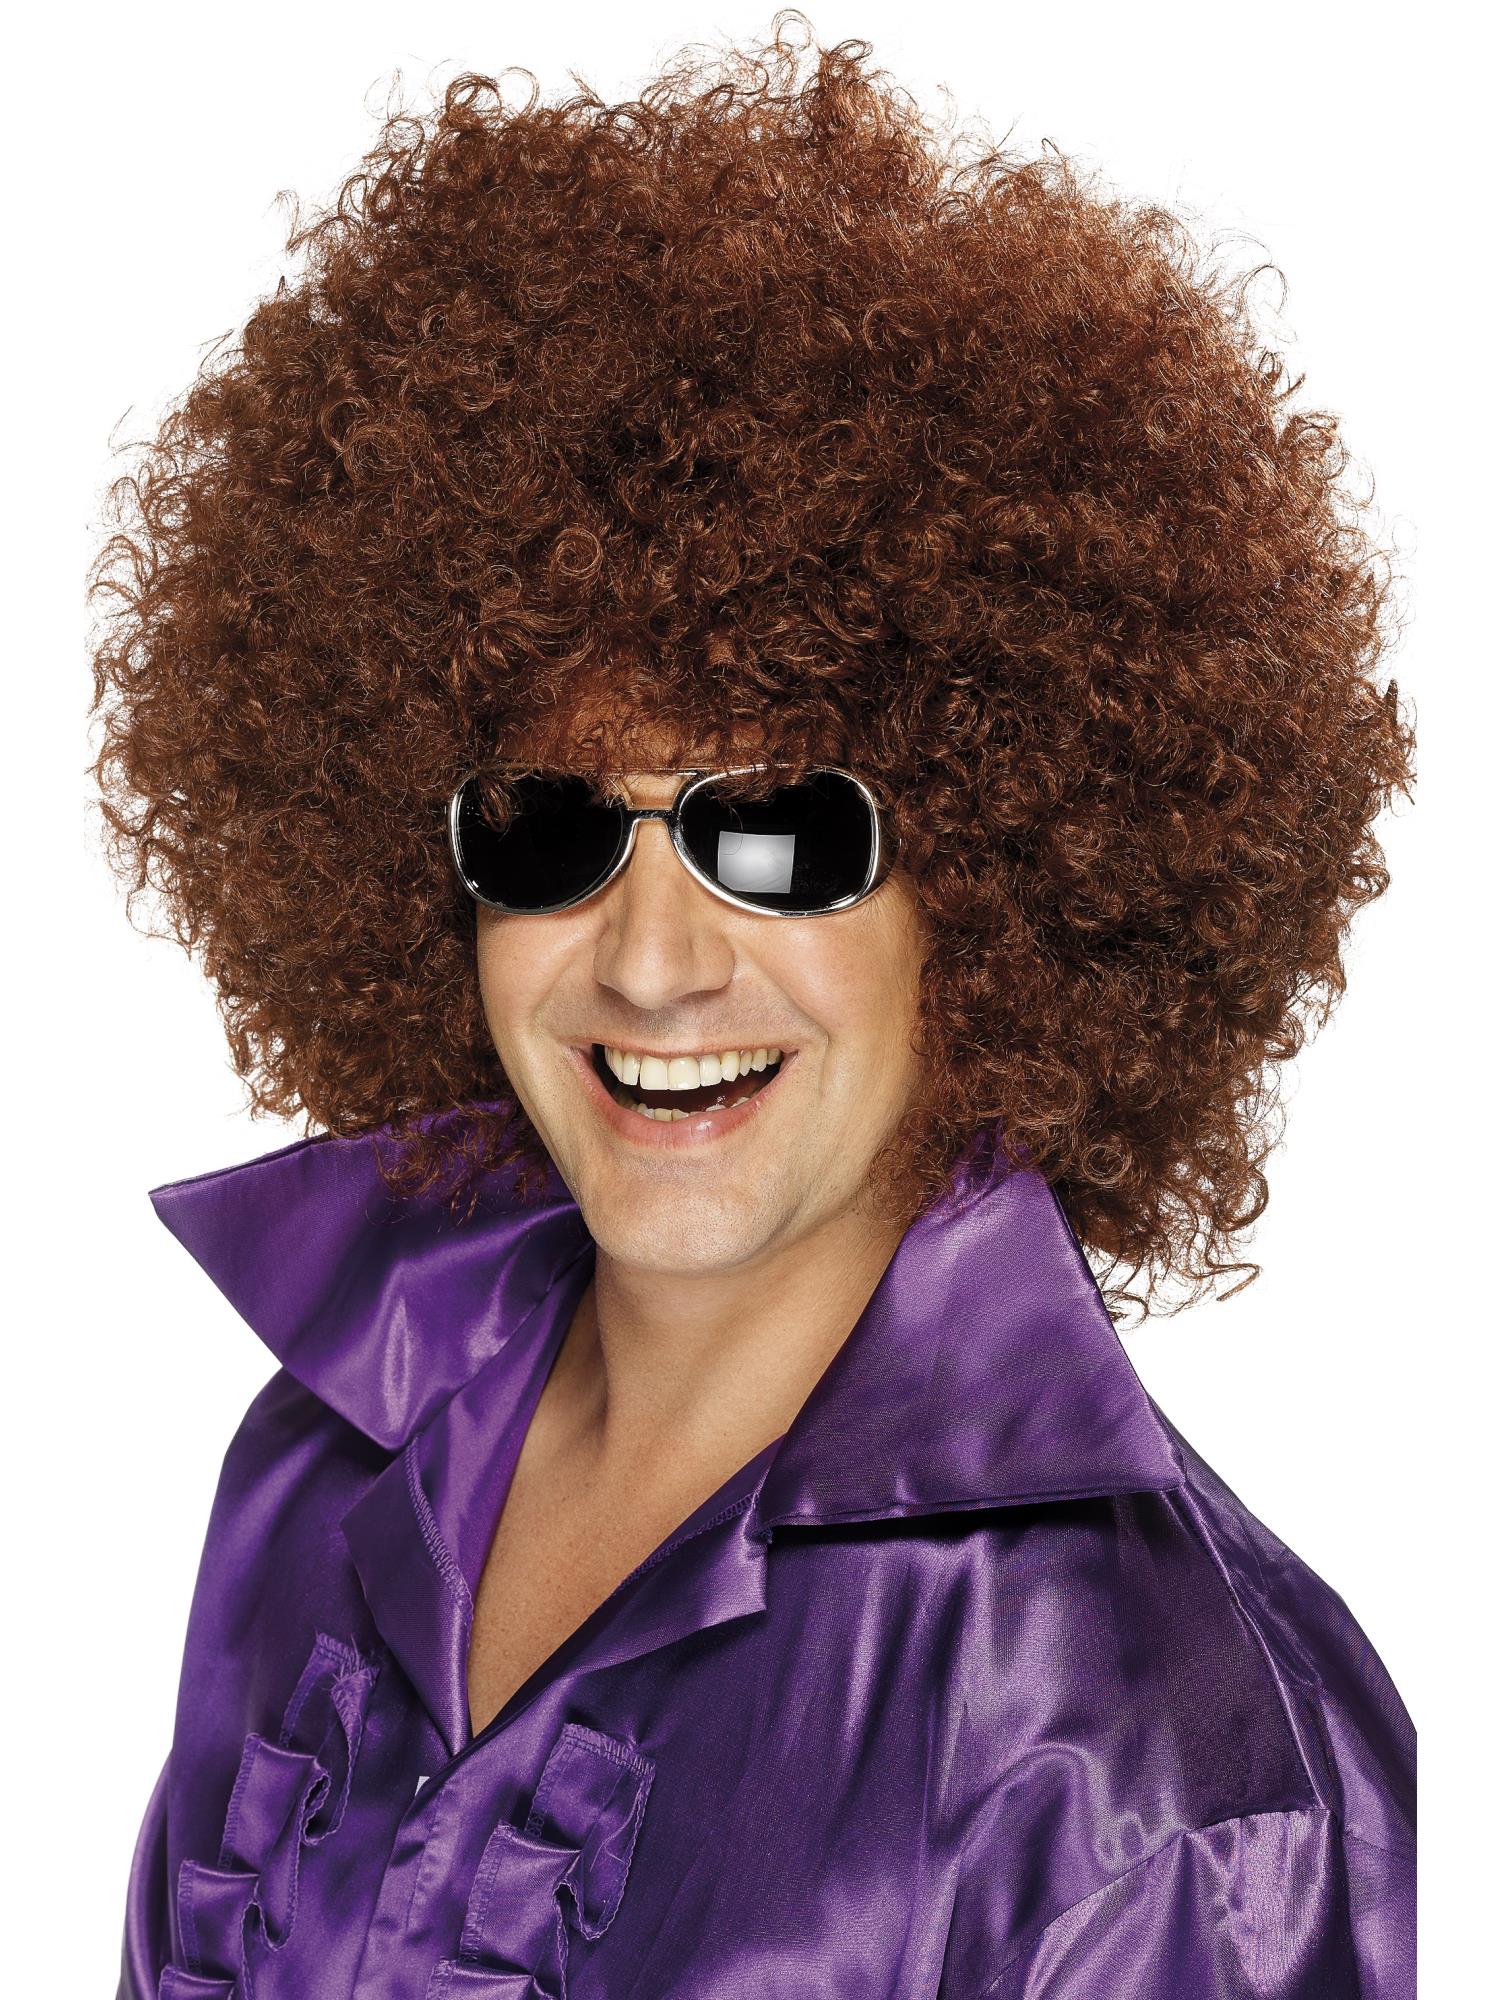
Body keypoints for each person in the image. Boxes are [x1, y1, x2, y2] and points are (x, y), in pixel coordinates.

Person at [91, 20, 1416, 1998]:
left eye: (782, 834)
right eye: (553, 828)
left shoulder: (1171, 1772)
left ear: (999, 877)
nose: (649, 960)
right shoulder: (320, 1468)